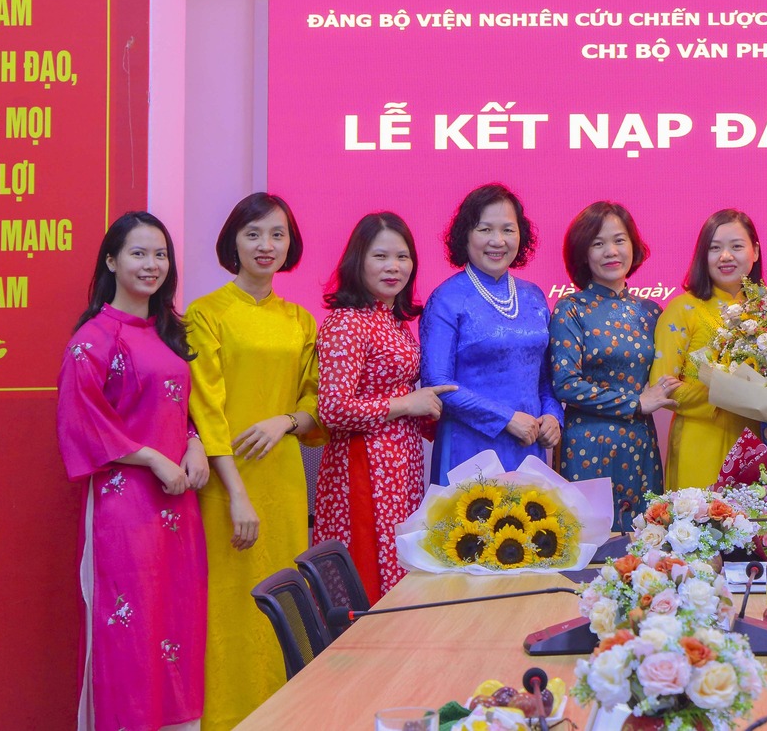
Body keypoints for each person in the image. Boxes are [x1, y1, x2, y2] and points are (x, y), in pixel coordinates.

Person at [56, 211, 208, 731]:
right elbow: (80, 422)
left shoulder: (168, 333)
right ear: (111, 261)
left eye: (160, 254)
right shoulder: (93, 340)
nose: (151, 264)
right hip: (124, 508)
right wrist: (152, 457)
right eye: (138, 253)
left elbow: (174, 409)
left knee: (177, 618)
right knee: (130, 627)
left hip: (178, 504)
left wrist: (194, 444)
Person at [185, 193, 322, 731]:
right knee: (229, 608)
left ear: (290, 245)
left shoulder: (300, 320)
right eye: (254, 234)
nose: (266, 245)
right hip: (226, 486)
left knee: (283, 600)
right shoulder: (206, 314)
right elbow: (205, 411)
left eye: (277, 235)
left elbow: (316, 405)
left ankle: (286, 717)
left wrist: (284, 421)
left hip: (283, 482)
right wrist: (237, 493)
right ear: (233, 242)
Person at [315, 212, 455, 599]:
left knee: (398, 569)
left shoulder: (393, 321)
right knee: (367, 580)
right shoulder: (347, 322)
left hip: (400, 466)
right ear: (357, 261)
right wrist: (406, 404)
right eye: (380, 256)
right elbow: (333, 409)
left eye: (402, 256)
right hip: (363, 466)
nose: (393, 267)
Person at [550, 201, 677, 532]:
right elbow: (566, 384)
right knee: (589, 544)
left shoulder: (651, 312)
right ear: (583, 253)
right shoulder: (571, 308)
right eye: (598, 243)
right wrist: (635, 402)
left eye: (619, 240)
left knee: (646, 541)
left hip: (640, 443)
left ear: (633, 245)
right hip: (587, 444)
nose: (611, 251)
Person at [421, 184, 561, 484]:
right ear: (465, 235)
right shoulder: (446, 298)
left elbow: (544, 379)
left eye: (508, 230)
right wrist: (505, 419)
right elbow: (437, 383)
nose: (498, 241)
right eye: (485, 229)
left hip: (528, 447)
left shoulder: (534, 296)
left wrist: (552, 416)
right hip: (469, 449)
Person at [649, 209, 763, 489]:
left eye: (736, 246)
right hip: (699, 440)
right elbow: (662, 386)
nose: (726, 256)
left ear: (755, 251)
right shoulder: (683, 308)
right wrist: (724, 394)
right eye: (715, 248)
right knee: (701, 515)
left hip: (753, 440)